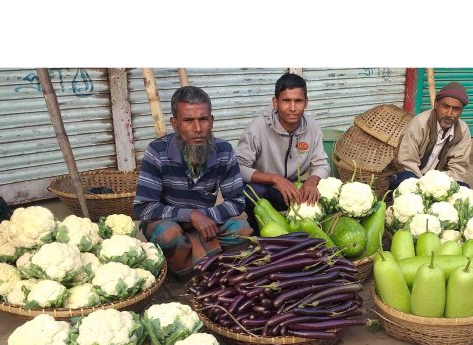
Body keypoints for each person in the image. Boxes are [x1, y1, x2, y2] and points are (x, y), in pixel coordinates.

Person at [134, 86, 251, 279]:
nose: (197, 129)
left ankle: (200, 259)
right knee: (168, 235)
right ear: (175, 124)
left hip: (207, 220)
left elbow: (237, 201)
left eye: (203, 119)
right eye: (188, 121)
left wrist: (206, 216)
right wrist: (190, 215)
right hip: (169, 221)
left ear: (211, 121)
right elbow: (143, 208)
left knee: (242, 229)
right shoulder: (157, 151)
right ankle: (198, 265)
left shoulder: (224, 150)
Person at [235, 72, 331, 234]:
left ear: (306, 103)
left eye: (298, 101)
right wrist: (275, 178)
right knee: (250, 191)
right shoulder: (257, 128)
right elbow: (238, 167)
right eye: (286, 100)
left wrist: (312, 181)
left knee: (328, 192)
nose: (292, 108)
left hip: (297, 191)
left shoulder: (312, 126)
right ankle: (258, 228)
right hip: (268, 190)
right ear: (275, 102)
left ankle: (308, 230)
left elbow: (322, 164)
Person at [390, 81, 472, 191]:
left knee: (464, 188)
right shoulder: (420, 122)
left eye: (456, 109)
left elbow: (458, 167)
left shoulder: (463, 130)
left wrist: (437, 185)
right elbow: (407, 161)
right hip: (412, 175)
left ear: (461, 111)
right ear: (436, 104)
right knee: (406, 179)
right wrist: (423, 185)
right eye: (445, 106)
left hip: (438, 181)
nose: (449, 114)